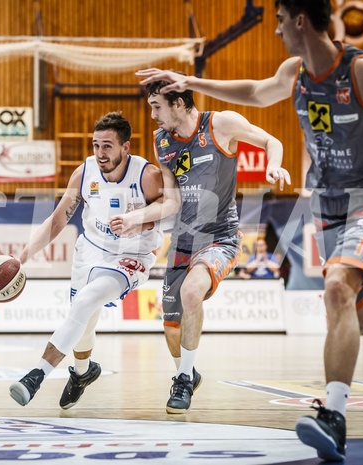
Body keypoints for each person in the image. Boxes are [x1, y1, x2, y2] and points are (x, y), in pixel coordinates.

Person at [136, 0, 363, 461]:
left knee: (337, 289)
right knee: (359, 317)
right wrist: (193, 80)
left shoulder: (362, 71)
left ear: (300, 20)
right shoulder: (296, 70)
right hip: (328, 201)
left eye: (281, 21)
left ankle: (333, 416)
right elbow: (255, 91)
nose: (277, 30)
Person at [128, 75, 290, 415]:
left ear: (178, 103)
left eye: (156, 106)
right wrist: (137, 217)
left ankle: (183, 380)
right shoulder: (162, 141)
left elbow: (271, 141)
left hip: (221, 236)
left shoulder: (221, 124)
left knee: (192, 292)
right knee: (171, 329)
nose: (153, 115)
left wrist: (273, 167)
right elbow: (171, 203)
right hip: (183, 240)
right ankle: (189, 370)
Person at [9, 111, 180, 409]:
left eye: (107, 146)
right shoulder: (84, 172)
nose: (100, 153)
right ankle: (82, 373)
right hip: (89, 250)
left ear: (125, 147)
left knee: (86, 301)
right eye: (95, 145)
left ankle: (36, 375)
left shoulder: (147, 175)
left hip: (131, 255)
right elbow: (59, 218)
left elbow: (172, 209)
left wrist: (139, 220)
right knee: (83, 321)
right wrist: (25, 255)